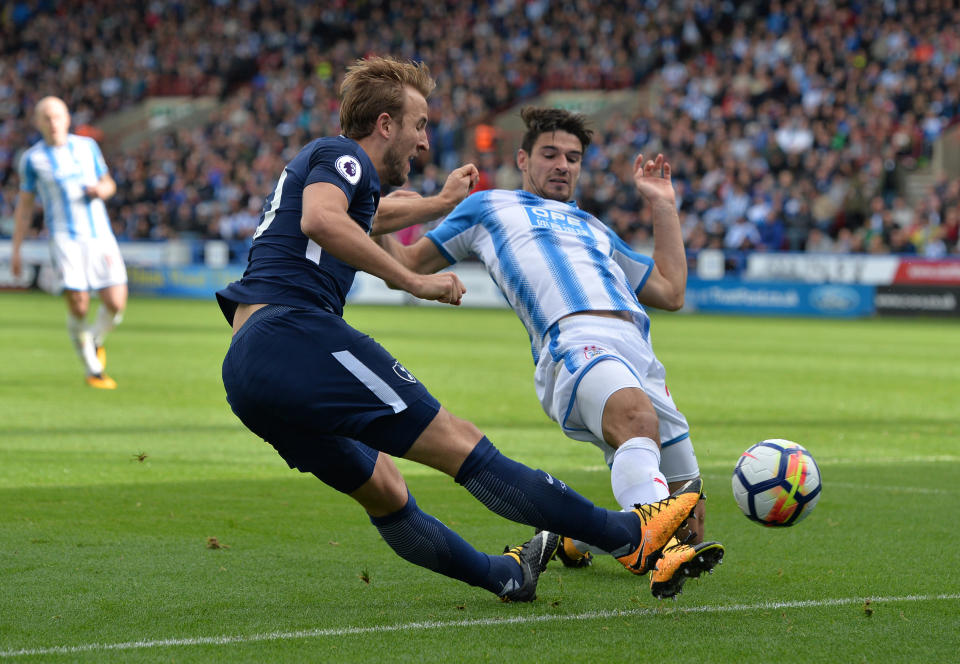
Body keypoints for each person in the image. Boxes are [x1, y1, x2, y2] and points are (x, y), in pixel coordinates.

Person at [216, 57, 702, 604]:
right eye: (419, 125)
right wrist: (411, 282)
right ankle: (630, 537)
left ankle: (504, 577)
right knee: (459, 442)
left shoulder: (341, 177)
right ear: (384, 125)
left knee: (386, 490)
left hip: (250, 369)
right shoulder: (342, 154)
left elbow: (370, 214)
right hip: (293, 332)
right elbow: (322, 220)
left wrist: (442, 202)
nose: (424, 142)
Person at [381, 107, 724, 599]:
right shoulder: (489, 207)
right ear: (523, 159)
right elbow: (411, 262)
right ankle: (658, 555)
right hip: (573, 341)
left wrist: (663, 204)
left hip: (639, 350)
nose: (562, 165)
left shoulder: (593, 227)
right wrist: (381, 217)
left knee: (688, 514)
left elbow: (670, 291)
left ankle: (568, 536)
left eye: (573, 157)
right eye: (550, 154)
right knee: (636, 421)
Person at [12, 96, 127, 390]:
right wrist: (16, 249)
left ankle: (96, 339)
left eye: (57, 116)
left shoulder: (87, 146)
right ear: (37, 123)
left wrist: (102, 189)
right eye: (46, 118)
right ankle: (93, 369)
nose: (53, 123)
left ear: (67, 118)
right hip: (64, 237)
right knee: (78, 302)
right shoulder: (33, 159)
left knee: (115, 302)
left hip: (100, 234)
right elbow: (25, 207)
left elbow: (109, 183)